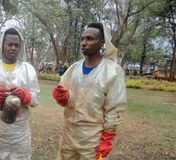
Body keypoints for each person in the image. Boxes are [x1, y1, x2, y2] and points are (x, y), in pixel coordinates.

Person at [52, 22, 127, 160]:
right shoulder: (73, 69)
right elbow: (63, 93)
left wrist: (107, 137)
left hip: (93, 136)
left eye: (89, 39)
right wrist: (61, 97)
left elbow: (115, 107)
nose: (84, 43)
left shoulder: (113, 71)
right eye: (82, 38)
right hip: (69, 131)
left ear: (102, 43)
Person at [0, 27, 40, 160]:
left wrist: (26, 96)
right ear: (2, 45)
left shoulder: (28, 70)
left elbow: (36, 99)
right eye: (10, 44)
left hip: (20, 131)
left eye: (16, 45)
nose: (13, 48)